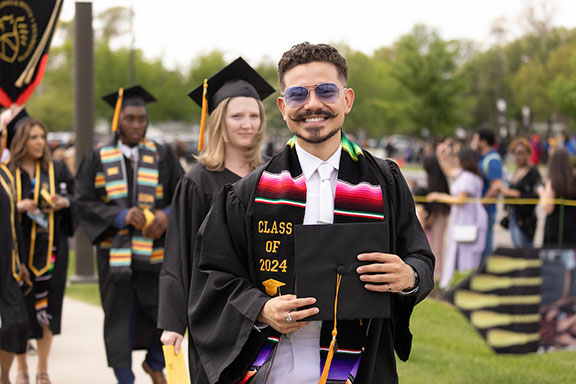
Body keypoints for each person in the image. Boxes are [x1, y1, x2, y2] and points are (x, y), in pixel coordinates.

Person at [187, 42, 434, 384]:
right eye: (299, 94)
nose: (313, 104)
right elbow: (213, 275)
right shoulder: (249, 194)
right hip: (273, 370)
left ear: (347, 99)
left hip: (359, 369)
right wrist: (260, 308)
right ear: (283, 106)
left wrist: (410, 277)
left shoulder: (385, 182)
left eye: (326, 91)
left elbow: (421, 257)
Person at [158, 58, 274, 379]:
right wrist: (172, 322)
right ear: (218, 122)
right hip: (213, 312)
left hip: (267, 311)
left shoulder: (272, 177)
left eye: (254, 116)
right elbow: (178, 252)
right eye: (237, 116)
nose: (247, 124)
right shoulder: (197, 181)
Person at [75, 86, 183, 384]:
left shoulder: (162, 154)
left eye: (141, 118)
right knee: (119, 321)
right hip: (115, 257)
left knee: (166, 312)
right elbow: (82, 200)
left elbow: (184, 196)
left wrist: (166, 216)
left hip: (156, 253)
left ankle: (154, 362)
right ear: (117, 120)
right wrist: (120, 216)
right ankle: (125, 378)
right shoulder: (97, 157)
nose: (136, 125)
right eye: (130, 118)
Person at [7, 117, 75, 384]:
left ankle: (43, 369)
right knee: (21, 311)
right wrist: (18, 207)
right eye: (33, 137)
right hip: (18, 252)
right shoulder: (8, 172)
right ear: (21, 140)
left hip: (52, 251)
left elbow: (75, 197)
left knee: (48, 307)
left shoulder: (56, 169)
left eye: (42, 137)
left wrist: (63, 203)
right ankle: (22, 367)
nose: (39, 142)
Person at [428, 140, 487, 288]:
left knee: (467, 256)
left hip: (469, 222)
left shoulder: (468, 178)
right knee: (458, 252)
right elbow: (448, 170)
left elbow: (461, 200)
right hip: (462, 220)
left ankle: (465, 284)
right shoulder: (466, 175)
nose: (455, 159)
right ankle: (456, 283)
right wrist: (441, 155)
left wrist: (439, 196)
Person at [0, 112, 29, 384]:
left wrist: (19, 260)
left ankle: (4, 376)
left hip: (7, 264)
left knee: (14, 324)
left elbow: (13, 223)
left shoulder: (5, 176)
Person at [499, 138, 541, 247]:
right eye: (516, 154)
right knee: (516, 248)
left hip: (526, 219)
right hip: (513, 215)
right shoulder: (516, 171)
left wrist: (514, 193)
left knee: (524, 249)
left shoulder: (533, 173)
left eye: (522, 153)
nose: (519, 157)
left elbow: (535, 197)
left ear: (528, 154)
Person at [471, 128, 503, 261]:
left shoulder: (492, 160)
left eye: (475, 138)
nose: (473, 141)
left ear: (483, 141)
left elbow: (496, 186)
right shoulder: (483, 158)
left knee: (485, 246)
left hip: (487, 210)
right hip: (483, 209)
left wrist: (481, 204)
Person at [538, 148, 576, 247]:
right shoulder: (573, 179)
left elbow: (548, 208)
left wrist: (541, 192)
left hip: (555, 227)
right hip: (572, 224)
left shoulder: (552, 182)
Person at [422, 153, 450, 282]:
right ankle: (437, 274)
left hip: (438, 215)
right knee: (436, 246)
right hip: (441, 214)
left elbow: (436, 205)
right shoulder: (439, 179)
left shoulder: (435, 181)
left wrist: (431, 217)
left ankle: (437, 276)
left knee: (436, 246)